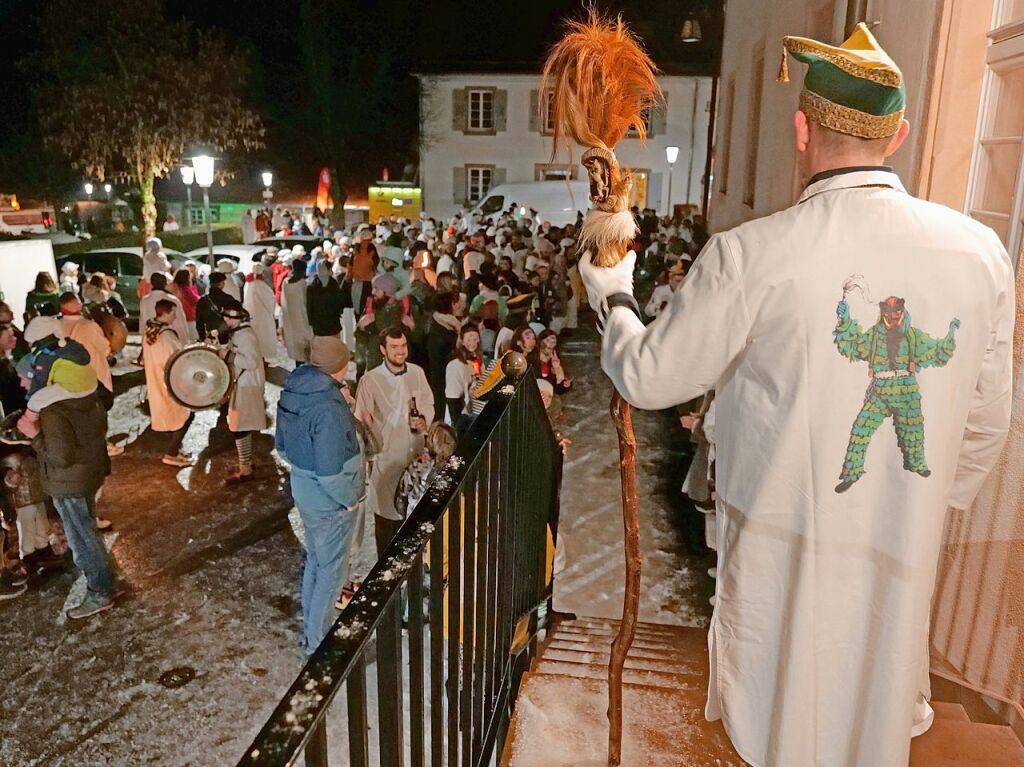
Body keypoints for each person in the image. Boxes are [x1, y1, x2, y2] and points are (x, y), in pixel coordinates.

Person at [578, 24, 1014, 767]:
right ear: (899, 134)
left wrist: (613, 294)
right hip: (898, 563)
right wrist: (915, 501)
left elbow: (651, 375)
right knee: (869, 732)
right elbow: (986, 426)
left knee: (781, 727)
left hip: (780, 566)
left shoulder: (752, 253)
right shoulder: (981, 254)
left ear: (802, 129)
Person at [276, 336, 363, 654]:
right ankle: (318, 642)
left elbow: (282, 446)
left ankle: (312, 630)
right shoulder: (328, 407)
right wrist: (349, 498)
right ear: (340, 366)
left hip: (305, 493)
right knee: (330, 573)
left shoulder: (294, 387)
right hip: (330, 502)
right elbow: (330, 473)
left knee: (317, 562)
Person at [33, 368, 121, 619]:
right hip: (87, 476)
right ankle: (108, 582)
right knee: (89, 532)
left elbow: (60, 457)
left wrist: (35, 438)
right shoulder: (90, 398)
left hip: (68, 482)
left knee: (81, 540)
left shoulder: (53, 411)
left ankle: (100, 592)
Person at [354, 327, 434, 556]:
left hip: (416, 461)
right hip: (388, 462)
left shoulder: (417, 372)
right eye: (394, 347)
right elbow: (361, 421)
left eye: (403, 346)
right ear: (382, 349)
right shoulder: (370, 380)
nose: (400, 352)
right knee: (388, 526)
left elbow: (428, 402)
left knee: (415, 523)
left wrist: (424, 420)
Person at [142, 299, 194, 467]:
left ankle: (176, 449)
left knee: (173, 416)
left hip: (156, 379)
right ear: (167, 313)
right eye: (174, 312)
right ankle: (171, 453)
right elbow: (176, 360)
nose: (175, 316)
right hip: (170, 381)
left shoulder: (150, 329)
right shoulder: (166, 335)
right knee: (185, 414)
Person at [220, 302, 267, 483]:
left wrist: (228, 355)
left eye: (229, 317)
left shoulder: (245, 335)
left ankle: (245, 468)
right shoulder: (240, 332)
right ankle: (245, 462)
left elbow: (251, 362)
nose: (225, 319)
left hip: (247, 385)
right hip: (243, 383)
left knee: (240, 426)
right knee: (241, 425)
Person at [394, 421, 457, 519]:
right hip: (444, 523)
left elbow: (400, 500)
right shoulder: (455, 468)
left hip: (415, 522)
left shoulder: (417, 464)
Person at [426, 291, 461, 422]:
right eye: (454, 303)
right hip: (442, 374)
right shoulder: (445, 330)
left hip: (439, 373)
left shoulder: (440, 322)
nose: (457, 305)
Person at [445, 323, 486, 430]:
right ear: (462, 341)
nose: (472, 343)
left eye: (475, 339)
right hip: (461, 419)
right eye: (469, 339)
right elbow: (452, 399)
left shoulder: (480, 362)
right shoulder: (455, 365)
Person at [139, 273, 188, 344]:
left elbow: (143, 323)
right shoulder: (173, 300)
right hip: (169, 340)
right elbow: (181, 324)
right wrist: (184, 342)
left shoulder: (144, 301)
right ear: (165, 283)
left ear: (151, 283)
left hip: (150, 339)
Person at [280, 259, 313, 363]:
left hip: (290, 319)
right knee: (305, 348)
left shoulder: (286, 282)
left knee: (296, 348)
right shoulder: (302, 283)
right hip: (303, 319)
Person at [243, 263, 277, 362]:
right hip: (263, 316)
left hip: (251, 315)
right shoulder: (261, 285)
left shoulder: (248, 284)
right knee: (263, 337)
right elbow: (270, 300)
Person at [195, 272, 235, 342]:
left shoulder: (202, 301)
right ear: (221, 283)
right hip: (227, 336)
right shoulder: (228, 299)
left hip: (210, 338)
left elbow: (199, 324)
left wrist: (202, 338)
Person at [530, 329, 572, 394]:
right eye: (547, 340)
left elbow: (558, 390)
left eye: (553, 342)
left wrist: (566, 384)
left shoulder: (556, 361)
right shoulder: (531, 360)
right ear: (540, 341)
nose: (550, 344)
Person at [169, 268, 200, 341]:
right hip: (189, 319)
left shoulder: (172, 287)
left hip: (174, 319)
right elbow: (195, 301)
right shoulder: (185, 289)